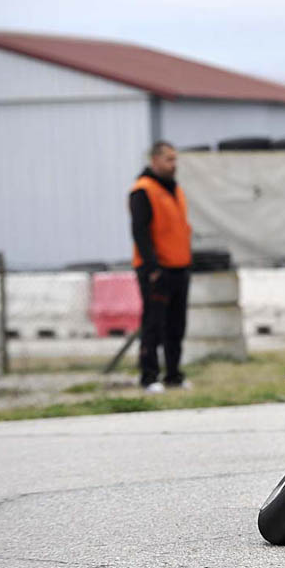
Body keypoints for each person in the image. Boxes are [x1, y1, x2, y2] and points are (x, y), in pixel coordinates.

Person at [130, 141, 193, 393]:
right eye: (169, 159)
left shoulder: (174, 189)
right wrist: (152, 267)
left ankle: (173, 375)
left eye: (175, 159)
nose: (173, 164)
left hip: (179, 267)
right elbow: (140, 232)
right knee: (153, 325)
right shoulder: (143, 190)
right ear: (154, 160)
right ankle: (149, 376)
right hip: (157, 270)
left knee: (176, 327)